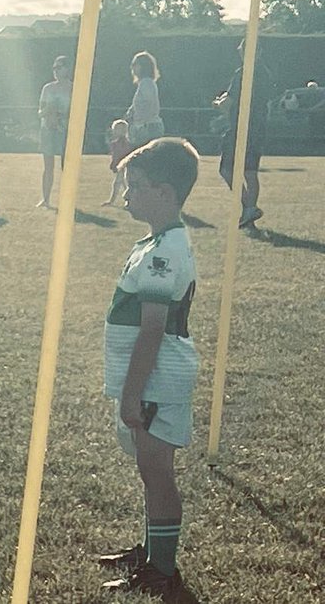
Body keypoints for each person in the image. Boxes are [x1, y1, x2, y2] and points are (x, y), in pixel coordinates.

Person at [96, 138, 199, 599]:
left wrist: (132, 392)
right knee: (148, 469)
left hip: (158, 380)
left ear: (164, 192)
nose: (126, 194)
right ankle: (151, 550)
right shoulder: (156, 242)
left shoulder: (164, 253)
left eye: (134, 185)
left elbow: (152, 330)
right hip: (150, 380)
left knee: (157, 472)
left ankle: (162, 569)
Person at [214, 39, 275, 229]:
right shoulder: (265, 74)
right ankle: (249, 213)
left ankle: (248, 207)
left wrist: (218, 104)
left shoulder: (241, 73)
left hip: (240, 128)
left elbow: (229, 102)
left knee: (227, 169)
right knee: (250, 172)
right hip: (258, 128)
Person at [38, 55, 73, 209]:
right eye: (54, 68)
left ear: (67, 69)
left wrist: (60, 116)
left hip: (65, 130)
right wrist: (48, 112)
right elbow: (40, 111)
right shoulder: (47, 88)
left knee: (67, 166)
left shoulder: (73, 88)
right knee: (48, 166)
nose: (56, 71)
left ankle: (67, 199)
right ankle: (45, 199)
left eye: (59, 67)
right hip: (48, 130)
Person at [125, 52, 163, 149]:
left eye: (135, 64)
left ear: (143, 66)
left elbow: (148, 102)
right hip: (147, 126)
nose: (132, 67)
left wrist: (140, 121)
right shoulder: (145, 83)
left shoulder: (146, 82)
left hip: (147, 128)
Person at [103, 119, 131, 206]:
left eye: (116, 129)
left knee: (119, 183)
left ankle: (114, 201)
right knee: (123, 183)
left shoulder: (123, 143)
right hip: (121, 165)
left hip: (123, 166)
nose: (114, 131)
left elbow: (121, 154)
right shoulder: (117, 143)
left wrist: (116, 163)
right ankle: (127, 201)